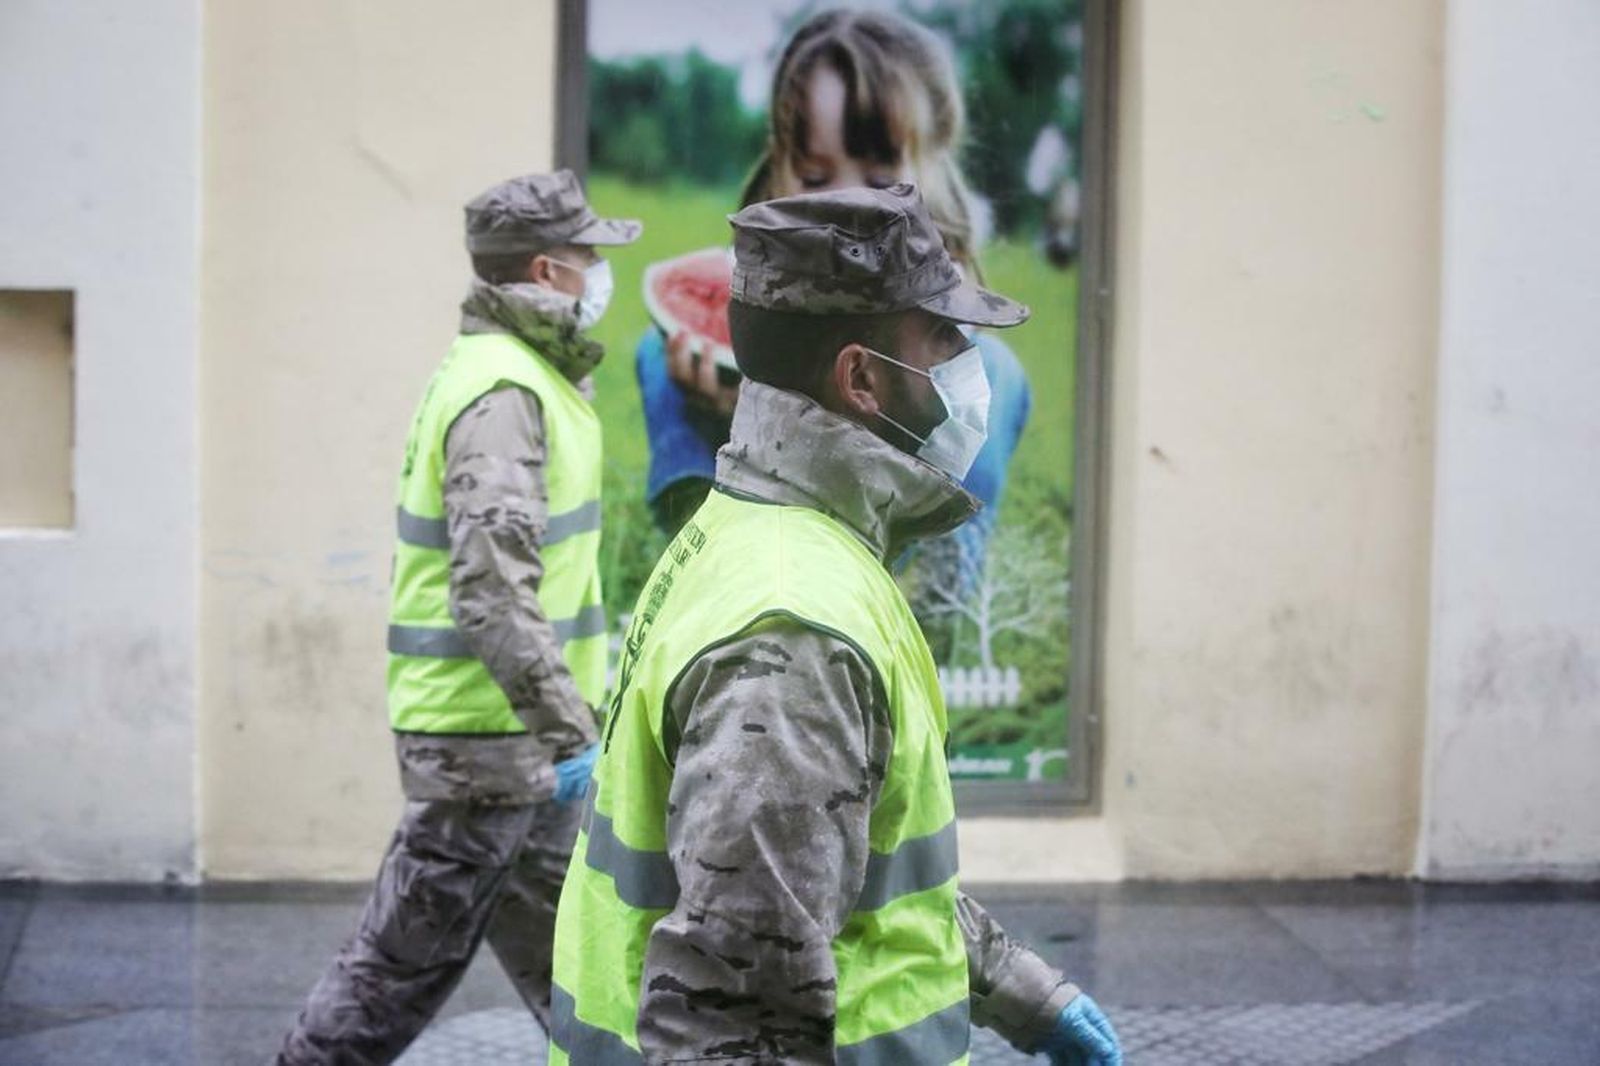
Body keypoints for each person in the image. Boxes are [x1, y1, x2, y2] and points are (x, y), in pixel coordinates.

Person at [549, 185, 1119, 1065]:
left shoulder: (760, 533)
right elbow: (731, 1024)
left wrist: (1019, 992)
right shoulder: (797, 630)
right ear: (861, 378)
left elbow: (838, 861)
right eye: (943, 337)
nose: (971, 363)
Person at [277, 170, 640, 1064]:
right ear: (547, 270)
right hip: (494, 750)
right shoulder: (504, 395)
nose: (601, 271)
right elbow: (490, 589)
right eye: (589, 255)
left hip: (516, 746)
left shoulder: (523, 376)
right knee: (388, 980)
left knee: (588, 978)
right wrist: (569, 733)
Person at [636, 9, 1032, 598]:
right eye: (818, 177)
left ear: (933, 169)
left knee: (993, 372)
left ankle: (941, 593)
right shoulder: (772, 287)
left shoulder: (936, 299)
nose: (847, 201)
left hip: (886, 535)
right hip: (763, 524)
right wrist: (737, 416)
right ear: (779, 172)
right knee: (657, 350)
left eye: (877, 174)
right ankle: (702, 566)